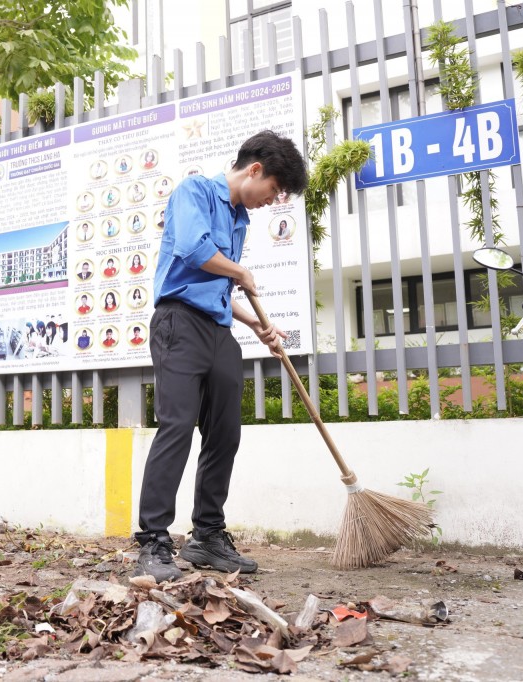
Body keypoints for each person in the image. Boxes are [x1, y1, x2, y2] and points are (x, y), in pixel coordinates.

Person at [133, 129, 306, 583]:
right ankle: (153, 541)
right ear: (254, 170)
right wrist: (240, 270)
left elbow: (219, 289)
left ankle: (207, 536)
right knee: (177, 427)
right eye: (272, 191)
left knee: (225, 433)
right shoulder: (196, 191)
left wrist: (255, 324)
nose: (271, 201)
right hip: (178, 323)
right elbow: (193, 251)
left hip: (216, 329)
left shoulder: (240, 221)